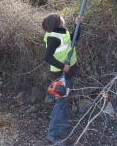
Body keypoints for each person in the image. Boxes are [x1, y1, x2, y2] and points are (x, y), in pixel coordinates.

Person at [42, 13, 84, 146]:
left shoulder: (61, 31)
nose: (62, 18)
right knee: (60, 101)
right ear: (57, 22)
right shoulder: (54, 38)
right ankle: (53, 134)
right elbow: (47, 57)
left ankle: (63, 126)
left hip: (67, 71)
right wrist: (62, 67)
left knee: (64, 100)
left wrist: (78, 25)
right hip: (60, 73)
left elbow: (73, 39)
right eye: (59, 17)